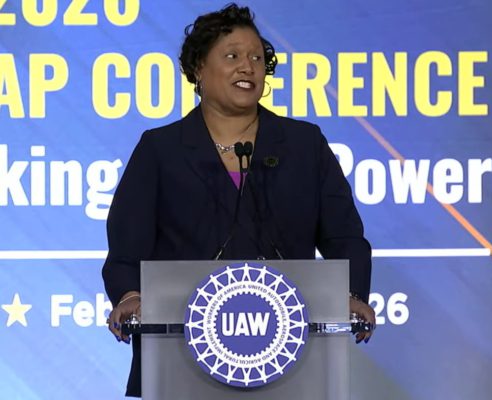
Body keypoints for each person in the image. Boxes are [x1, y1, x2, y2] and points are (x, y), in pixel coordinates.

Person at [103, 3, 375, 398]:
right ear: (198, 67)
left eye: (257, 58)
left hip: (289, 354)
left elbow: (344, 237)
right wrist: (130, 296)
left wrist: (351, 295)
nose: (248, 67)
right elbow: (126, 249)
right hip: (183, 356)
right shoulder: (160, 149)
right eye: (232, 56)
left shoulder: (304, 145)